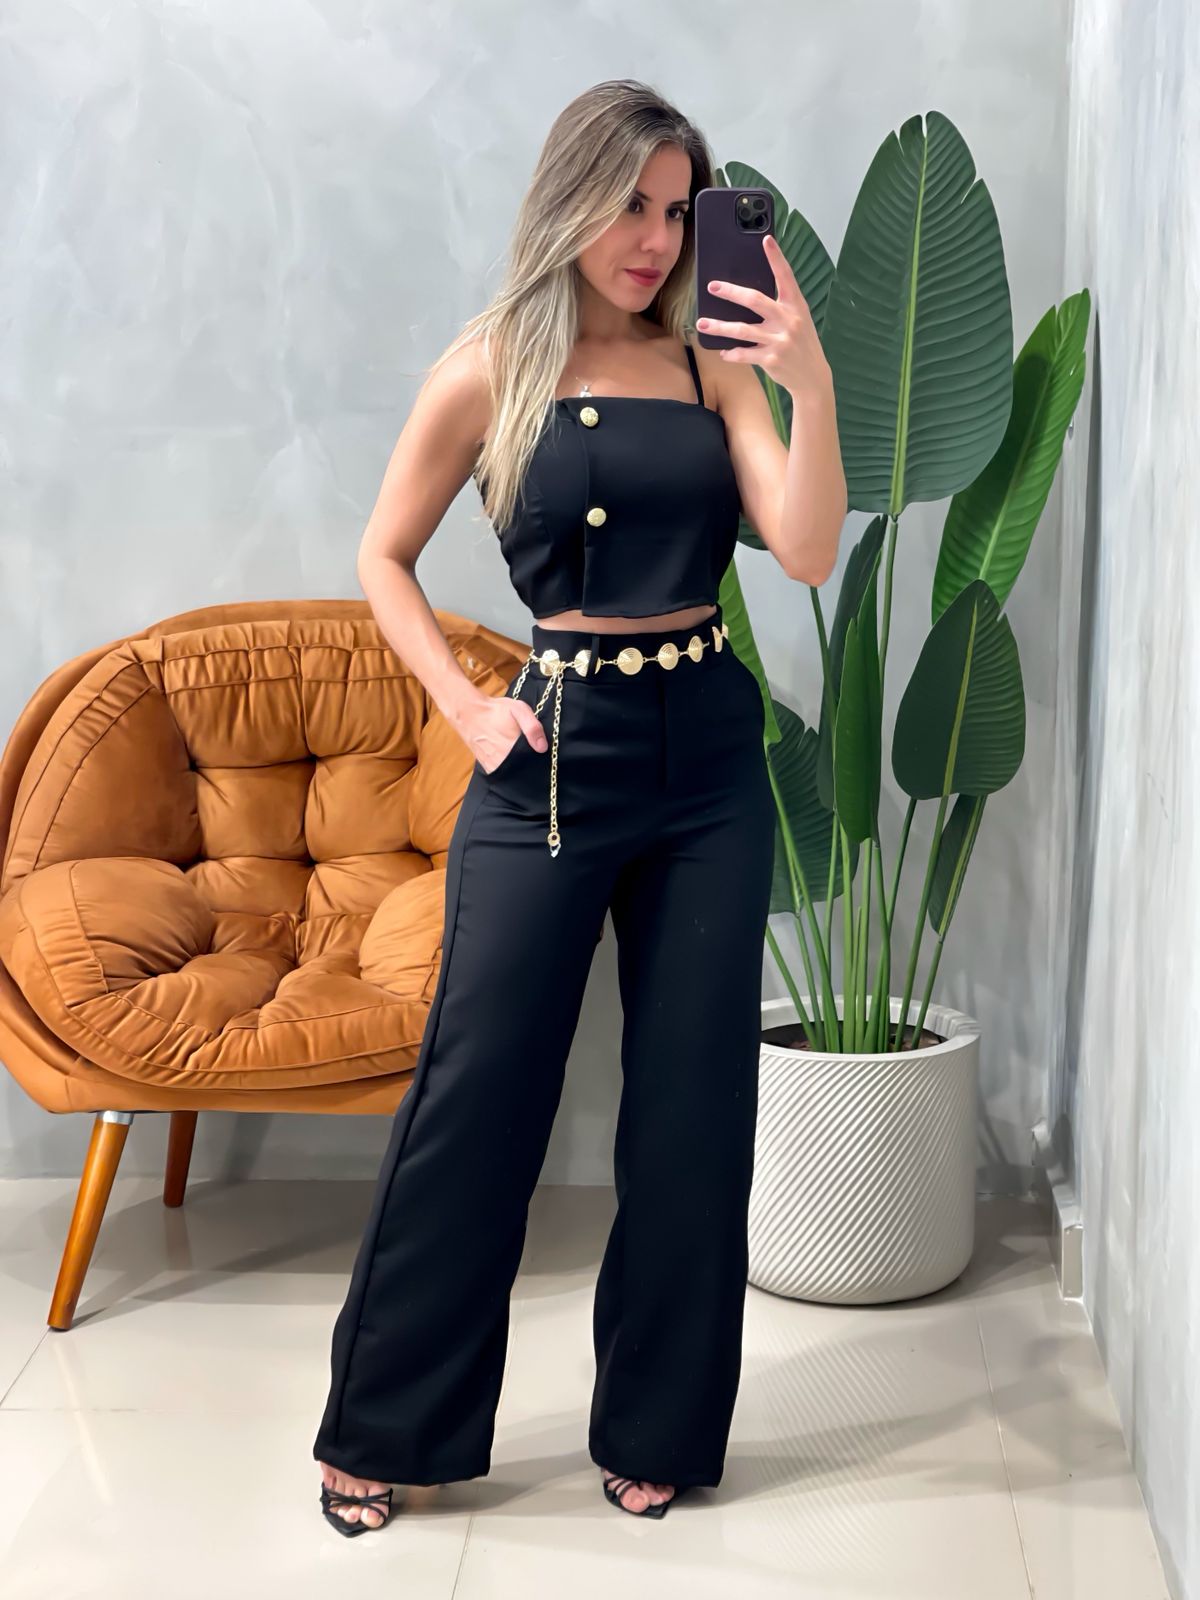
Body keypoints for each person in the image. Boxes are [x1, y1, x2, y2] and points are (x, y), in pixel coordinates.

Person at [314, 77, 847, 1534]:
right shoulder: (491, 367)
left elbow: (804, 550)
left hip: (707, 761)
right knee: (478, 1091)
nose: (655, 239)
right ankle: (386, 1423)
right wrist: (466, 704)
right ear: (570, 200)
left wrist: (808, 381)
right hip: (550, 757)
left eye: (678, 211)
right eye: (630, 206)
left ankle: (658, 1425)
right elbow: (382, 556)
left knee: (690, 1108)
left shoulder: (709, 364)